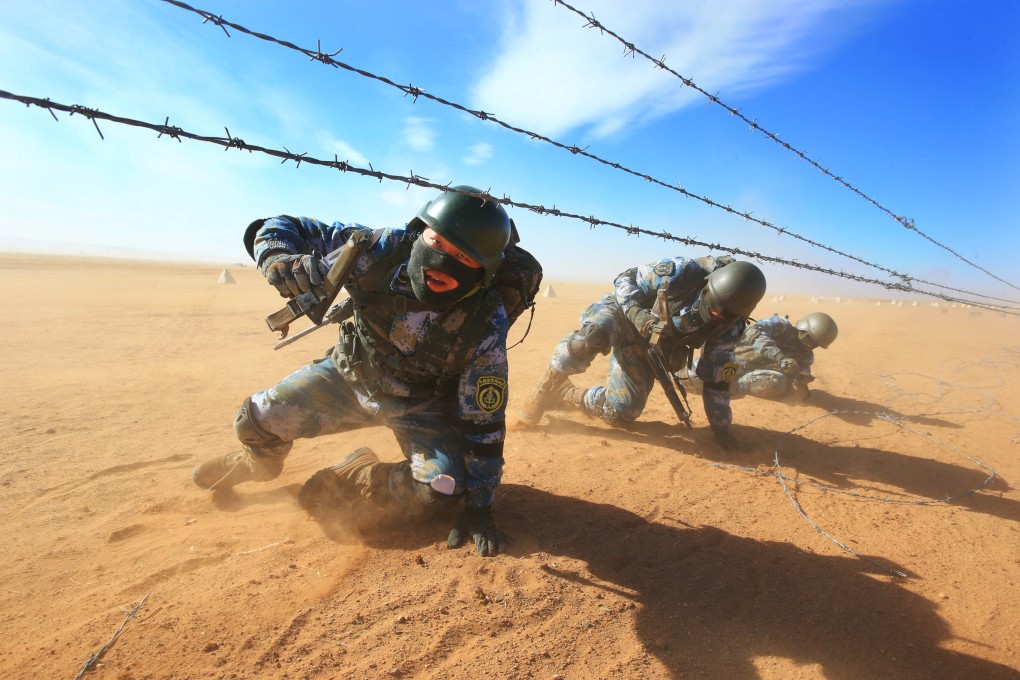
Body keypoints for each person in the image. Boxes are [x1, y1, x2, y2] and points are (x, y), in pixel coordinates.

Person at [192, 186, 517, 557]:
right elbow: (281, 226)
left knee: (441, 487)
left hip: (420, 408)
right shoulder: (378, 250)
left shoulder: (485, 321)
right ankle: (256, 466)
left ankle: (356, 473)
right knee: (252, 421)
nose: (443, 262)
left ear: (484, 271)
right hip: (348, 378)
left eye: (463, 256)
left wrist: (480, 507)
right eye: (437, 242)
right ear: (420, 230)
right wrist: (278, 258)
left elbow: (485, 424)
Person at [519, 255, 766, 447]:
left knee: (622, 411)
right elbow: (625, 279)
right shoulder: (683, 272)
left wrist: (722, 430)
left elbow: (717, 380)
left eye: (725, 315)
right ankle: (544, 389)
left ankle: (565, 394)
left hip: (649, 347)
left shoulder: (729, 330)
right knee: (587, 340)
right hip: (623, 313)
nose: (716, 316)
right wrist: (636, 313)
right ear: (708, 287)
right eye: (714, 307)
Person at [730, 312, 838, 400]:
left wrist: (797, 377)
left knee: (777, 383)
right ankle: (727, 383)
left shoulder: (806, 356)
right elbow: (754, 333)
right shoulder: (780, 325)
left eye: (815, 344)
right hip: (734, 361)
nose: (810, 346)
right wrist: (781, 358)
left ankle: (735, 387)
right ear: (803, 329)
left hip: (756, 374)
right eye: (809, 339)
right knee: (723, 376)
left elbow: (797, 386)